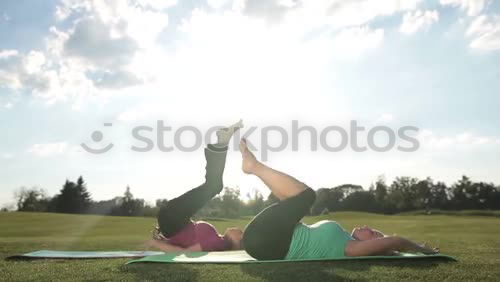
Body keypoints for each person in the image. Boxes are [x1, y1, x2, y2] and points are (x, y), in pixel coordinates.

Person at [239, 138, 439, 260]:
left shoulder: (351, 248)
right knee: (293, 200)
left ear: (375, 245)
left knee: (307, 196)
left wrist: (422, 249)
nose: (368, 227)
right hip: (265, 241)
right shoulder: (344, 240)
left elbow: (395, 240)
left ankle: (254, 167)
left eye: (373, 233)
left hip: (270, 242)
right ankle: (254, 167)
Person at [144, 120, 245, 252]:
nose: (240, 230)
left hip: (173, 219)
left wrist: (156, 244)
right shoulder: (217, 239)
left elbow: (187, 252)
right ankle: (221, 143)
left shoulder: (217, 243)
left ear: (236, 244)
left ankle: (222, 142)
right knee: (215, 186)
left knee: (214, 186)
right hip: (174, 218)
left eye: (241, 235)